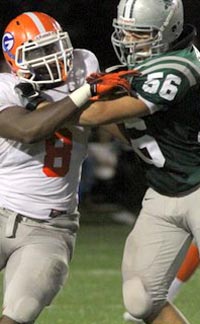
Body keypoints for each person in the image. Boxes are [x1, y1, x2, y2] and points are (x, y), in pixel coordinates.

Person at [58, 0, 200, 323]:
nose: (130, 42)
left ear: (169, 31)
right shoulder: (141, 70)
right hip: (164, 191)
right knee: (141, 298)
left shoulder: (179, 66)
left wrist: (61, 103)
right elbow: (128, 130)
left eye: (141, 34)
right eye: (127, 33)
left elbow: (102, 113)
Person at [0, 11, 130, 324]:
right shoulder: (5, 87)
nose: (53, 57)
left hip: (50, 227)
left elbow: (115, 126)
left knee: (19, 314)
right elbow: (29, 129)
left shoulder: (83, 65)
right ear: (16, 60)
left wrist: (123, 100)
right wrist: (85, 94)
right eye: (39, 52)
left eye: (55, 46)